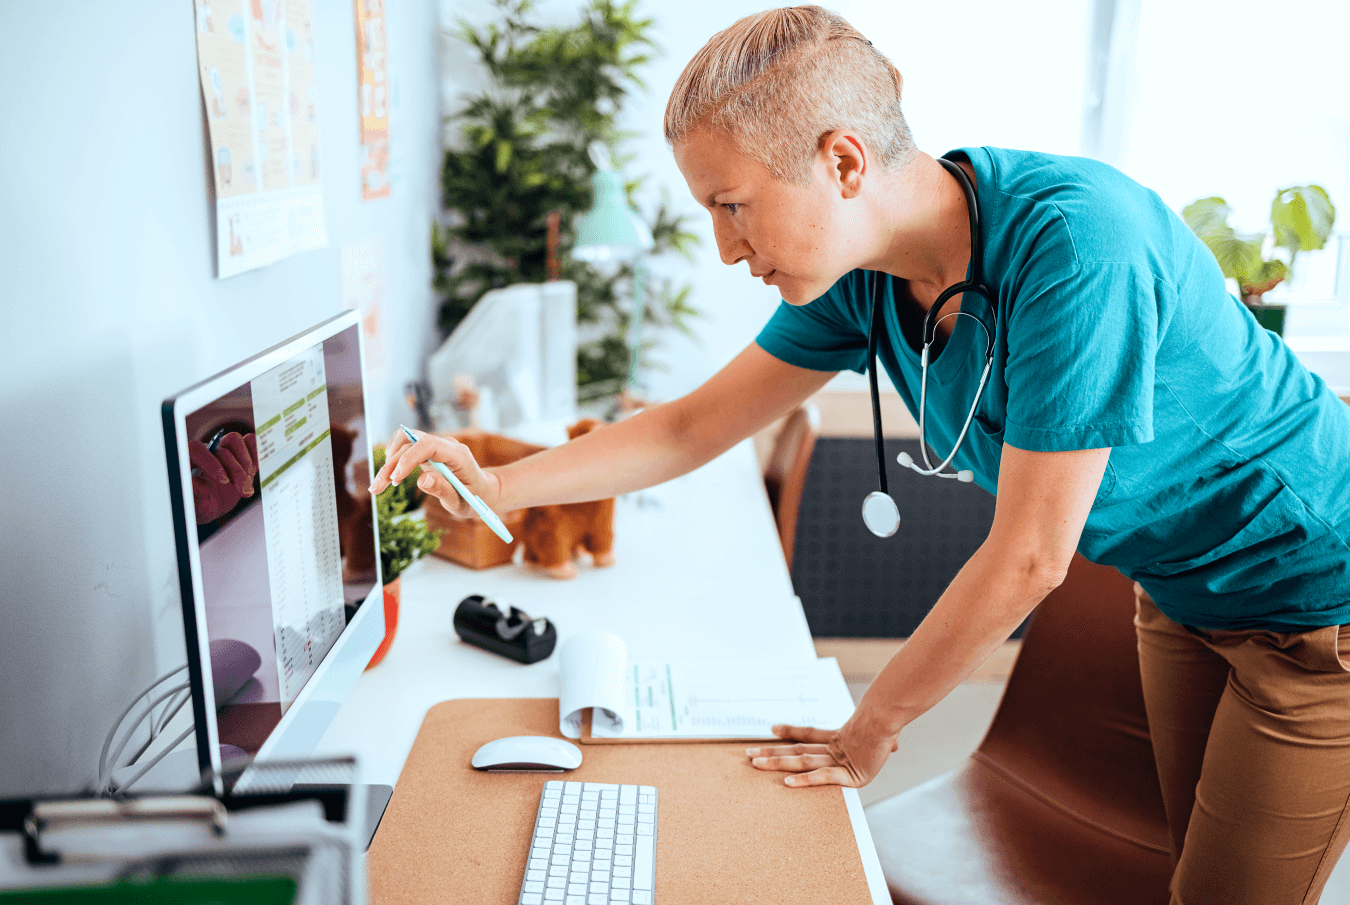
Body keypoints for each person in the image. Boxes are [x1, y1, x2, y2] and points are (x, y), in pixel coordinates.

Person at [372, 7, 1350, 902]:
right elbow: (688, 427)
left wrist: (870, 725)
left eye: (733, 205)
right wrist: (495, 480)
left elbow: (1029, 555)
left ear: (843, 161)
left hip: (1319, 602)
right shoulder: (864, 279)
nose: (722, 248)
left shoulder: (1080, 243)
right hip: (1180, 592)